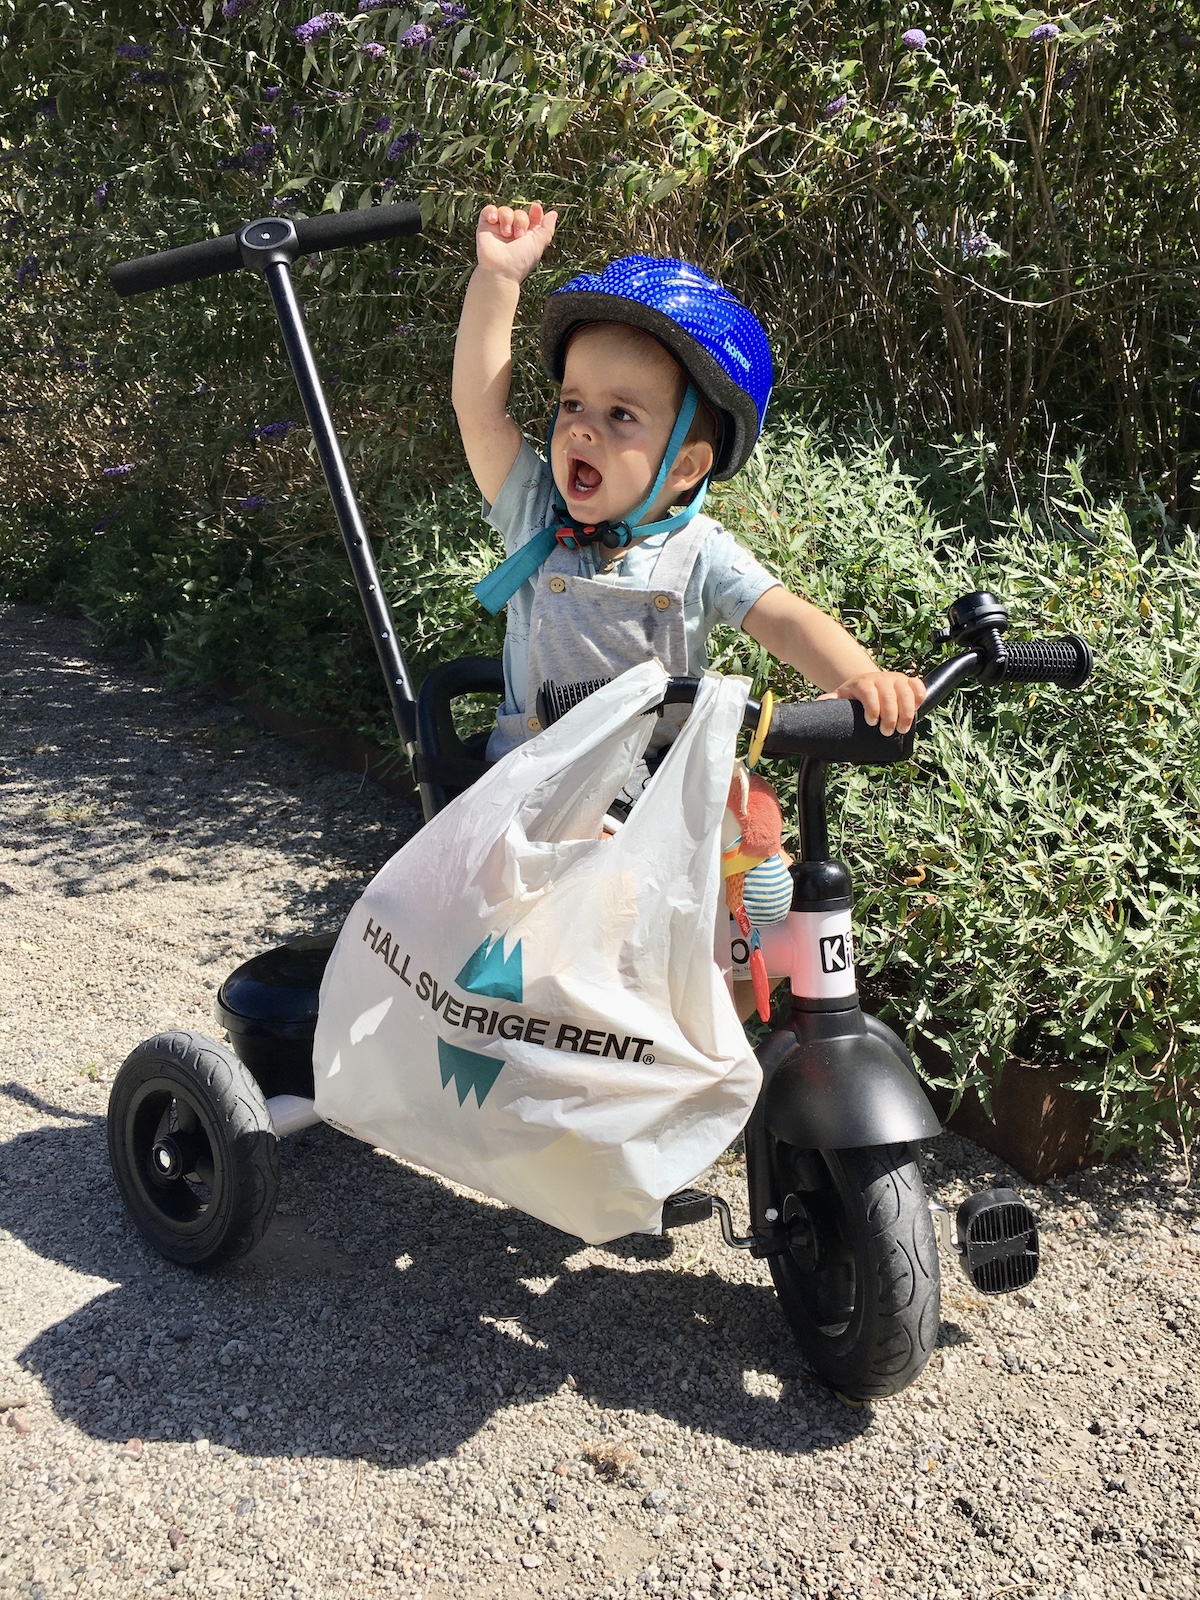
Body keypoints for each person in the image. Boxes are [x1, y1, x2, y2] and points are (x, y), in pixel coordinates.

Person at [452, 201, 925, 1011]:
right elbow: (479, 409)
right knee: (595, 884)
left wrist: (858, 676)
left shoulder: (698, 551)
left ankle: (728, 1018)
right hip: (538, 797)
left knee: (749, 869)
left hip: (661, 793)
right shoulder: (534, 513)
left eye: (620, 415)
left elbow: (783, 616)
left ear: (685, 466)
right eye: (572, 404)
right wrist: (498, 279)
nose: (582, 430)